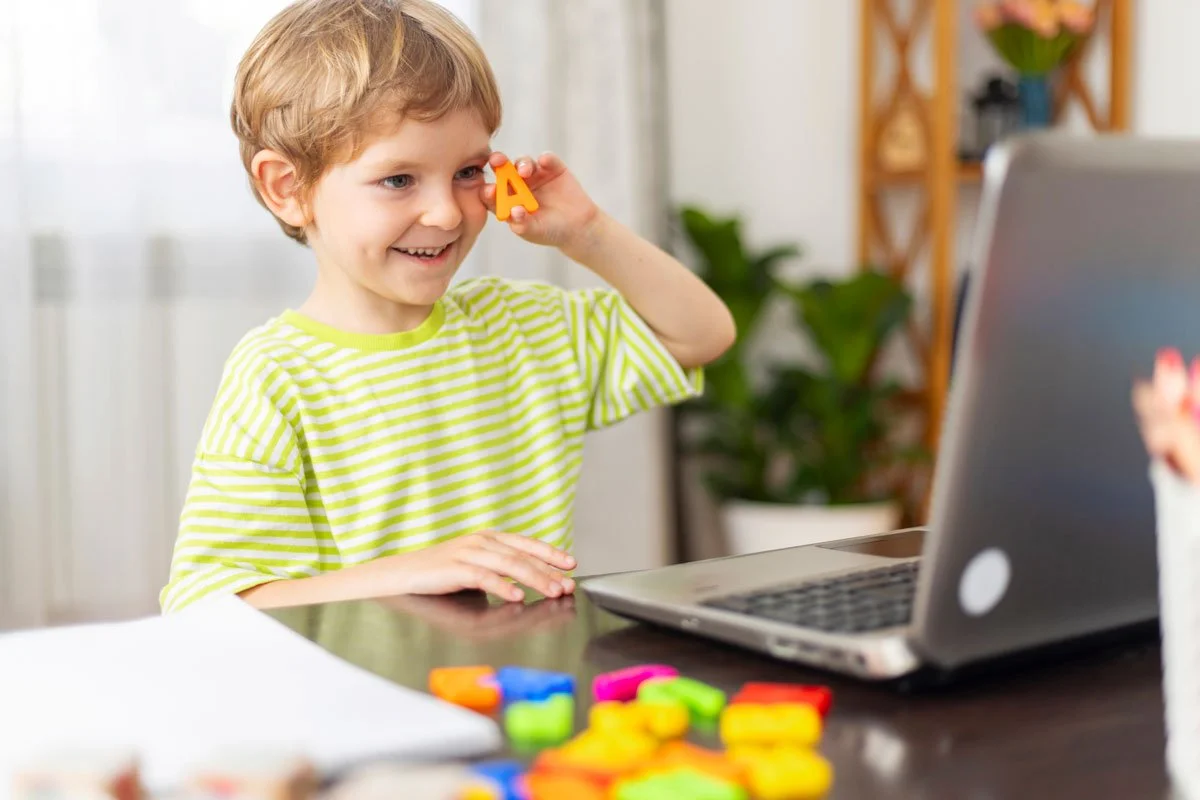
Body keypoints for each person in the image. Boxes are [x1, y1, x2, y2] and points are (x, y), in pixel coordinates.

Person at [159, 0, 735, 613]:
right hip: (377, 704)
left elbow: (703, 334)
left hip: (527, 693)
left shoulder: (525, 328)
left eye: (466, 171)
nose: (447, 213)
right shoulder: (278, 377)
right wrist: (411, 572)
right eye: (399, 180)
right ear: (288, 188)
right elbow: (205, 602)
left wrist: (587, 231)